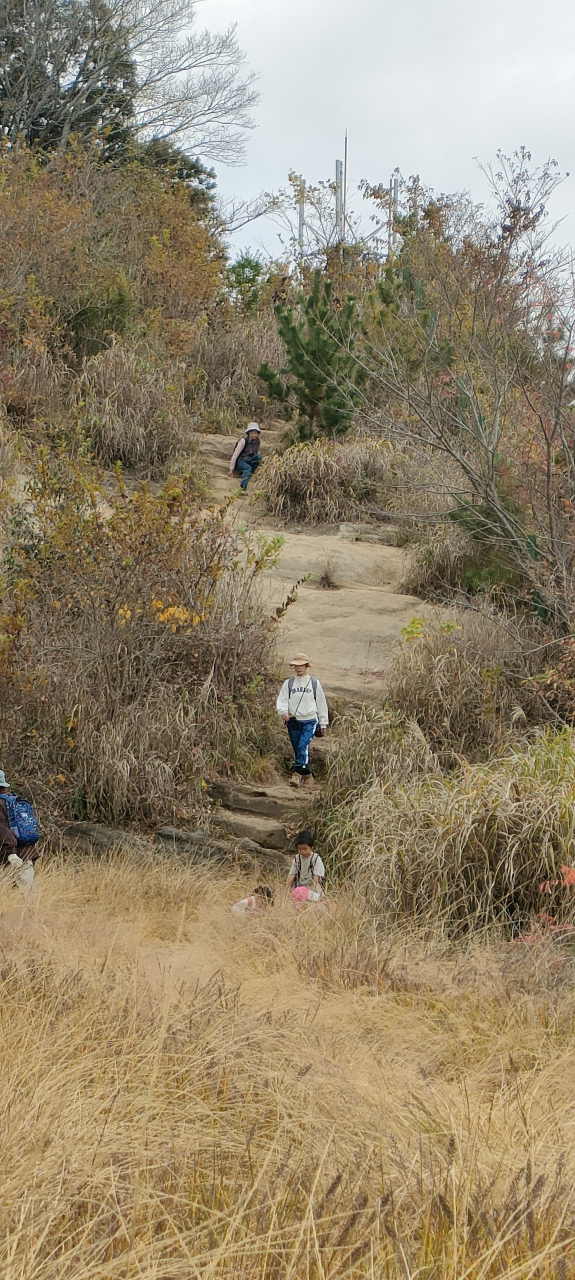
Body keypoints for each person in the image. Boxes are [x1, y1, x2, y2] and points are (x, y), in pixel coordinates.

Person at [276, 653, 329, 787]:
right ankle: (308, 775)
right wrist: (283, 712)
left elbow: (321, 703)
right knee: (297, 748)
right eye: (296, 666)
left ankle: (297, 774)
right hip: (293, 720)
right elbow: (282, 700)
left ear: (306, 666)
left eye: (301, 666)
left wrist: (323, 723)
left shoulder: (314, 683)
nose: (299, 669)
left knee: (302, 745)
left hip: (310, 720)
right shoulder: (289, 683)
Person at [0, 770, 40, 891]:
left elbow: (3, 830)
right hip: (27, 854)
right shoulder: (14, 800)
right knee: (26, 900)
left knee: (7, 899)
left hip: (10, 858)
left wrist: (11, 853)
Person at [286, 831, 325, 899]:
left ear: (311, 847)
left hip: (313, 888)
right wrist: (286, 889)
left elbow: (315, 879)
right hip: (299, 887)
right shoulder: (297, 859)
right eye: (300, 849)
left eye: (305, 849)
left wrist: (311, 892)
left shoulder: (316, 859)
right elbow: (291, 875)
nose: (303, 851)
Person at [228, 423, 262, 492]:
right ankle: (242, 487)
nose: (253, 435)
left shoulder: (257, 441)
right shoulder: (243, 441)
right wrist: (231, 469)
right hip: (241, 461)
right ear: (248, 433)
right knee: (248, 468)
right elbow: (235, 455)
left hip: (250, 459)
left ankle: (249, 472)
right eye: (252, 433)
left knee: (258, 457)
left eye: (255, 433)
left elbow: (257, 452)